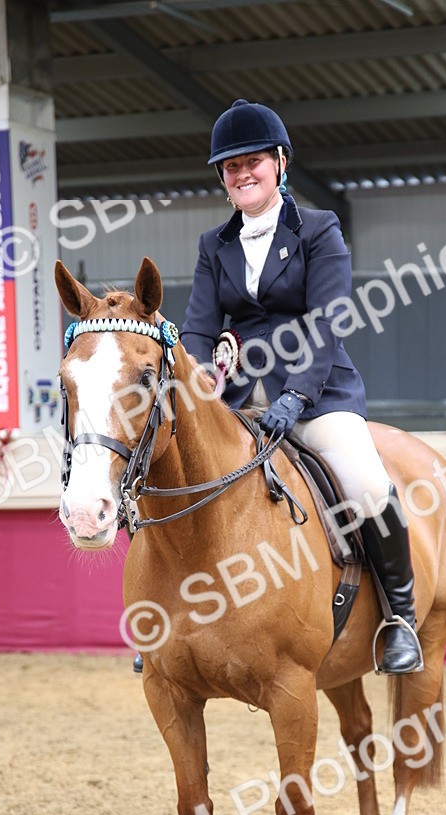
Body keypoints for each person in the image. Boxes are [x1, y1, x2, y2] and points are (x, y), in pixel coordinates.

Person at [180, 99, 422, 674]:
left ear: (281, 162)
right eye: (231, 166)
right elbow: (195, 326)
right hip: (236, 400)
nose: (242, 174)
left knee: (365, 481)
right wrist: (198, 378)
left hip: (315, 396)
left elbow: (331, 320)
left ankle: (399, 618)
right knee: (176, 472)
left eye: (253, 161)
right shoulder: (214, 245)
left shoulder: (319, 229)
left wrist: (297, 396)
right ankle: (170, 626)